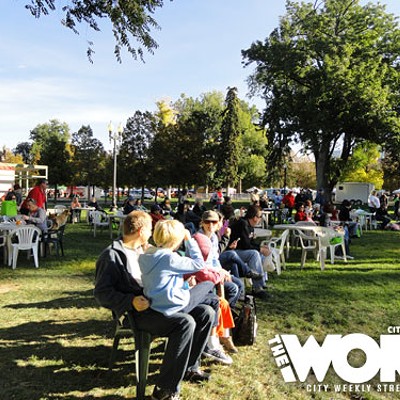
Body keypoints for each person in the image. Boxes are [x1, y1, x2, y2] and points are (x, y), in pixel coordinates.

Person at [94, 211, 218, 400]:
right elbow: (101, 294)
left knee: (206, 313)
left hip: (154, 305)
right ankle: (164, 391)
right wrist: (131, 301)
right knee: (184, 323)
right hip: (135, 313)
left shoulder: (145, 250)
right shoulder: (112, 255)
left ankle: (189, 367)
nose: (153, 233)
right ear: (142, 230)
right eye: (151, 228)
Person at [229, 205, 270, 299]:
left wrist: (261, 248)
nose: (260, 219)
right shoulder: (242, 224)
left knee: (260, 253)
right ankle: (258, 288)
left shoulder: (250, 226)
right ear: (255, 217)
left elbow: (249, 242)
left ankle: (262, 282)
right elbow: (245, 245)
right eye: (260, 217)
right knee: (254, 254)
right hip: (231, 251)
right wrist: (259, 249)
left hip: (240, 250)